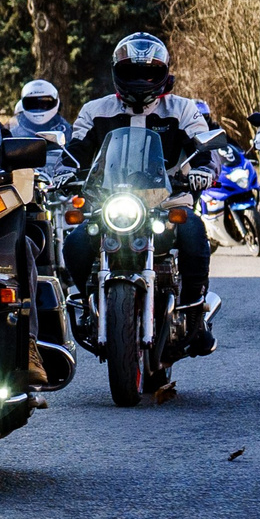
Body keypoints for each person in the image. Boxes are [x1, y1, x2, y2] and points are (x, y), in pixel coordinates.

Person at [62, 33, 227, 356]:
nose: (140, 80)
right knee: (76, 242)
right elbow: (76, 150)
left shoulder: (182, 110)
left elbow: (204, 147)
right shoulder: (95, 111)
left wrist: (204, 171)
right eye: (132, 72)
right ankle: (89, 304)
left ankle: (195, 314)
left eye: (149, 73)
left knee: (194, 233)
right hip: (109, 205)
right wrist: (63, 172)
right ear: (116, 72)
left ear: (164, 72)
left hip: (167, 203)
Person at [10, 78, 77, 183]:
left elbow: (77, 157)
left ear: (56, 102)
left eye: (45, 103)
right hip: (22, 182)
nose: (39, 108)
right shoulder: (13, 132)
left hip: (58, 184)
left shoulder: (66, 130)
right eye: (32, 104)